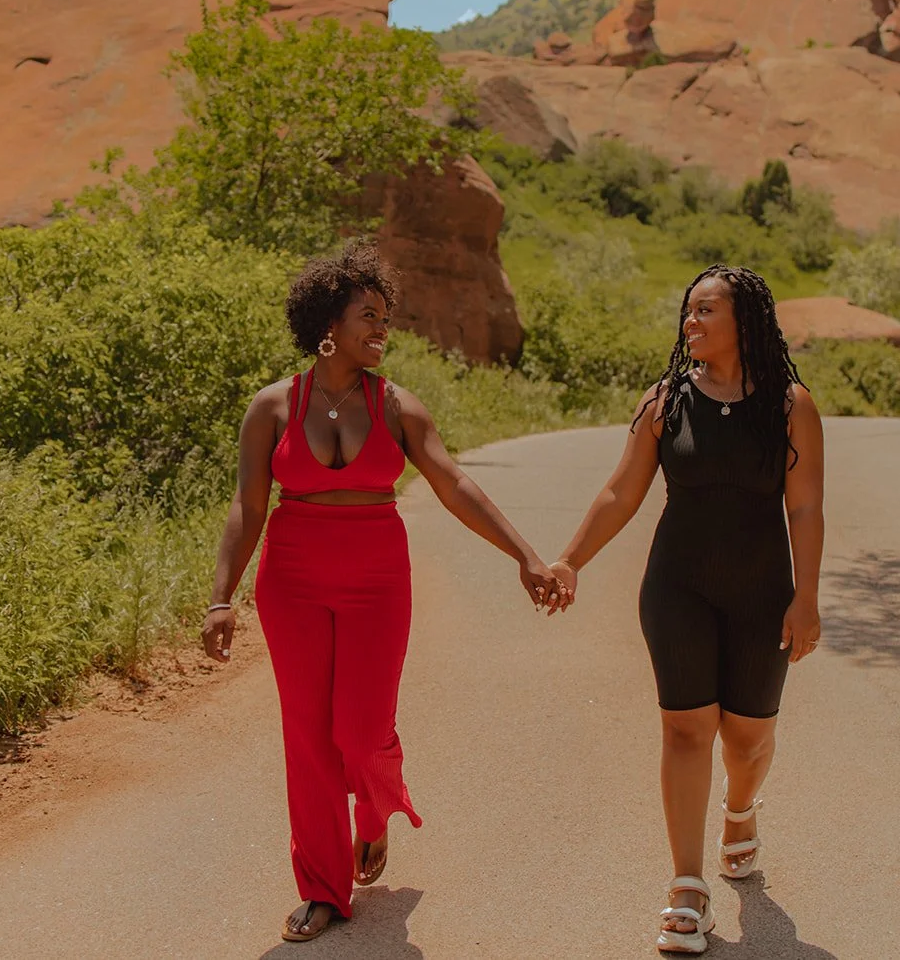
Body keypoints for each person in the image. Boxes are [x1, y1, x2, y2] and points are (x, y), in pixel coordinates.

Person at [200, 242, 561, 943]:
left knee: (360, 731)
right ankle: (324, 889)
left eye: (385, 319)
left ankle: (374, 812)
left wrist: (524, 554)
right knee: (308, 736)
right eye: (369, 316)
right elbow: (247, 507)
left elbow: (453, 483)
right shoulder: (272, 406)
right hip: (293, 580)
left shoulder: (397, 405)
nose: (382, 331)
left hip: (376, 579)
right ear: (328, 323)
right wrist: (222, 597)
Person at [547, 264, 825, 955]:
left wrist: (807, 596)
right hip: (678, 586)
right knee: (685, 728)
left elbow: (807, 507)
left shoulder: (791, 404)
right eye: (688, 311)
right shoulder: (666, 400)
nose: (690, 322)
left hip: (763, 591)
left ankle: (740, 809)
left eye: (705, 310)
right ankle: (687, 888)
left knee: (748, 738)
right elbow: (620, 493)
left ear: (745, 321)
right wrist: (569, 559)